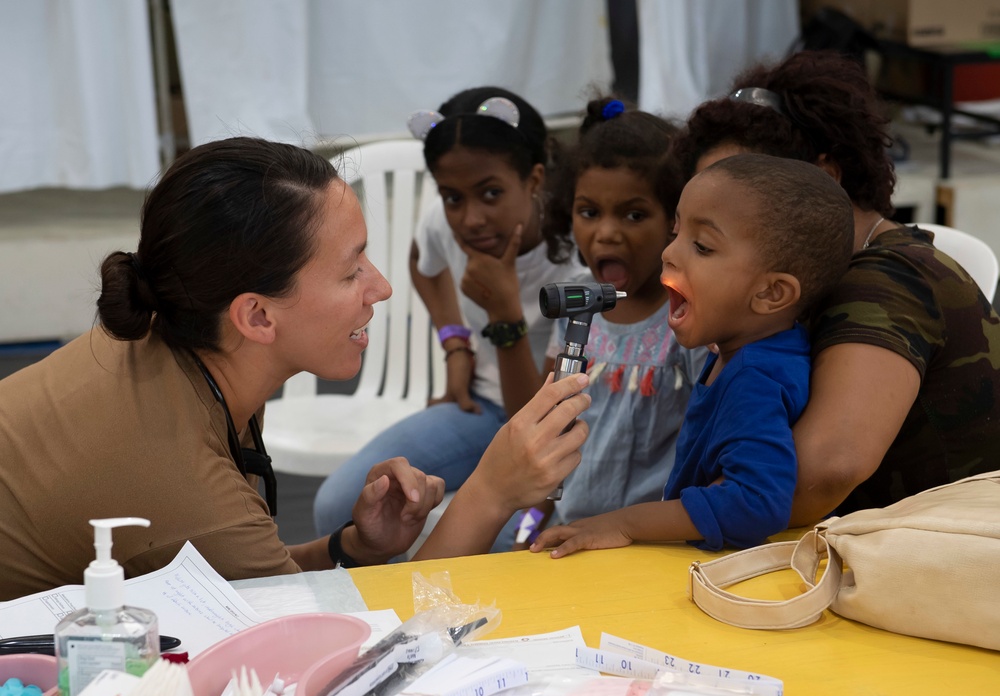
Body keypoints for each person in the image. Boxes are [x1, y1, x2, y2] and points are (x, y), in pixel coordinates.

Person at [0, 137, 591, 601]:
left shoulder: (172, 336)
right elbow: (360, 657)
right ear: (256, 315)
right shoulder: (178, 473)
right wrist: (491, 493)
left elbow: (258, 587)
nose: (381, 287)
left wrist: (351, 547)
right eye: (351, 268)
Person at [669, 50, 1000, 524]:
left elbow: (825, 470)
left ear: (824, 178)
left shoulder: (884, 280)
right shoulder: (783, 287)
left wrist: (652, 526)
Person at [531, 153, 855, 556]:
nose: (669, 254)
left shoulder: (755, 378)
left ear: (772, 293)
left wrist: (625, 522)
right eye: (676, 233)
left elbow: (756, 503)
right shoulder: (738, 351)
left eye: (701, 246)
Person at [313, 87, 582, 538]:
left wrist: (505, 318)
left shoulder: (577, 265)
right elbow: (423, 260)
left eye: (491, 193)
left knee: (505, 548)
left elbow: (537, 426)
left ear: (535, 180)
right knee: (338, 504)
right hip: (478, 408)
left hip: (554, 433)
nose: (470, 218)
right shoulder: (445, 219)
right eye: (453, 197)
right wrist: (455, 343)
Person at [502, 98, 707, 551]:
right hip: (568, 525)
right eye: (589, 212)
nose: (606, 233)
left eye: (634, 215)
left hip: (652, 541)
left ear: (677, 222)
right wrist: (535, 513)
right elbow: (545, 425)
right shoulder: (577, 302)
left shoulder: (687, 316)